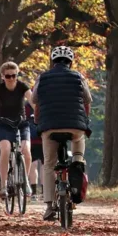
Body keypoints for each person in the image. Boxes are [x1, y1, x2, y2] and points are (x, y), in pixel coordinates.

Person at [32, 46, 92, 221]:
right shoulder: (79, 77)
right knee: (78, 150)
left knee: (49, 164)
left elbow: (35, 99)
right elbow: (87, 99)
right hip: (75, 126)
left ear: (53, 61)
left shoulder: (42, 78)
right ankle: (77, 171)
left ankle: (50, 206)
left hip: (49, 126)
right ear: (70, 62)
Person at [0, 62, 33, 198]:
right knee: (5, 149)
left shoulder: (22, 86)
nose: (11, 79)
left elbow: (32, 100)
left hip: (21, 123)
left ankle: (26, 183)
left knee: (26, 151)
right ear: (2, 76)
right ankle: (3, 185)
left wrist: (37, 112)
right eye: (8, 76)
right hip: (4, 123)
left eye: (14, 75)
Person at [25, 102, 44, 200]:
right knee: (46, 166)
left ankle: (34, 193)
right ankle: (45, 192)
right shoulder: (46, 101)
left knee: (33, 165)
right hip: (44, 138)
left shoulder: (27, 104)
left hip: (31, 139)